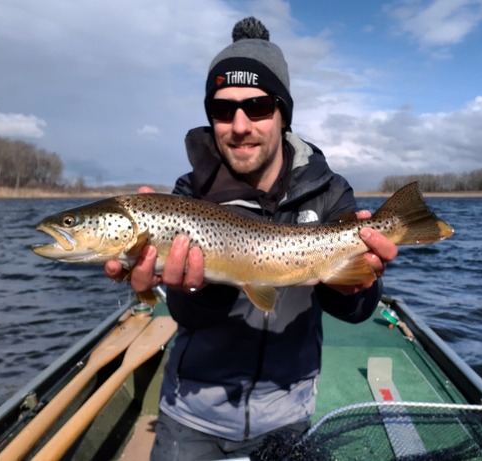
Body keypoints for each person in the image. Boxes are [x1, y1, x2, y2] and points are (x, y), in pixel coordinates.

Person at [106, 17, 398, 460]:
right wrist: (194, 288)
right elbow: (187, 313)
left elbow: (357, 310)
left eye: (257, 106)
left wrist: (357, 285)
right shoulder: (189, 194)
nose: (239, 125)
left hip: (288, 409)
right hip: (193, 410)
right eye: (223, 111)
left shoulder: (330, 191)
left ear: (283, 114)